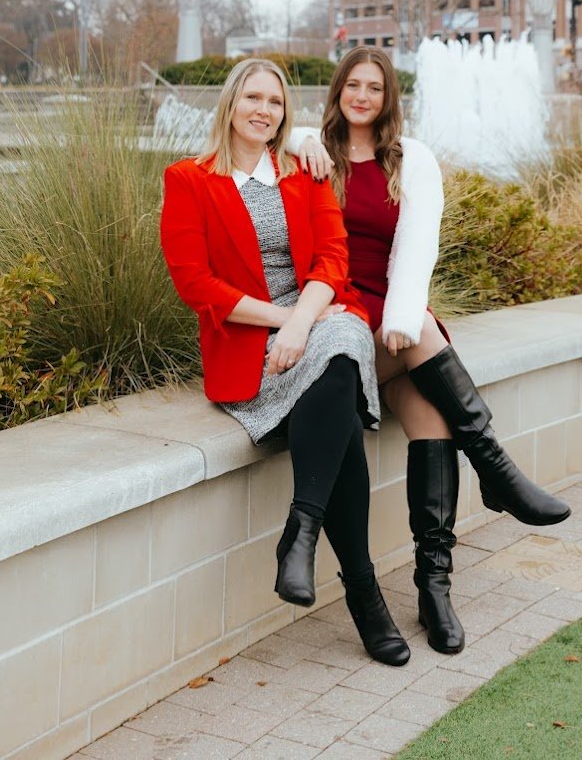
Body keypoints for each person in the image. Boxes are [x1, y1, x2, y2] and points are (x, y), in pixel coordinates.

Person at [293, 47, 570, 657]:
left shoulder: (407, 159)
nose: (362, 96)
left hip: (393, 318)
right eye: (353, 85)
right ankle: (496, 471)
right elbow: (265, 126)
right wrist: (299, 138)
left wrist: (398, 314)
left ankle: (434, 586)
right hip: (337, 318)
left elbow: (419, 243)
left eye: (375, 88)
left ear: (389, 98)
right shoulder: (312, 151)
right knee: (422, 332)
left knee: (432, 418)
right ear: (337, 89)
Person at [160, 57, 409, 666]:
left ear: (283, 114)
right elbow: (196, 284)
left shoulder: (305, 174)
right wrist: (282, 323)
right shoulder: (189, 179)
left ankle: (301, 531)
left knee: (344, 346)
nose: (263, 111)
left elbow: (333, 259)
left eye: (274, 102)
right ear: (230, 103)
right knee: (343, 408)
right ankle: (362, 593)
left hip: (318, 316)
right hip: (248, 340)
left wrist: (302, 321)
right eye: (253, 98)